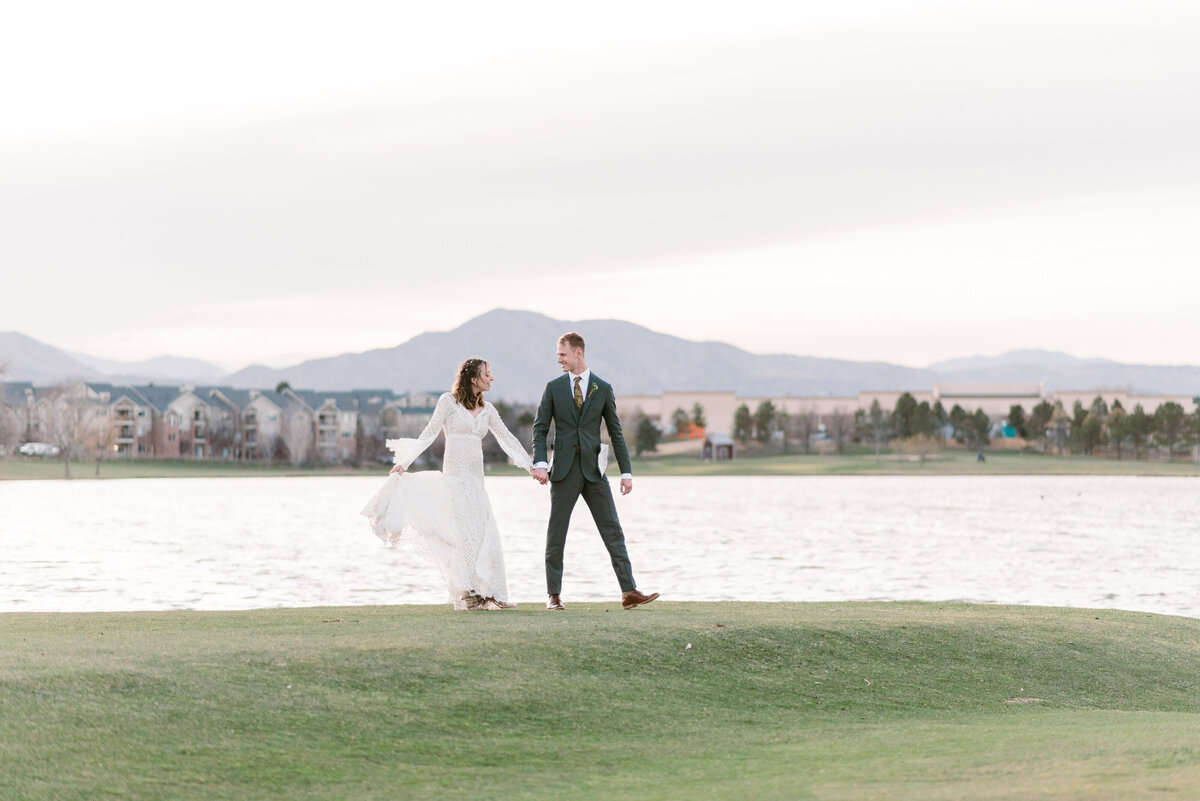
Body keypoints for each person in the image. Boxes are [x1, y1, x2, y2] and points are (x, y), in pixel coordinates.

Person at [362, 358, 538, 610]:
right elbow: (430, 432)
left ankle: (487, 591)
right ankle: (466, 590)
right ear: (473, 378)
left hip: (477, 480)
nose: (492, 378)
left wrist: (528, 464)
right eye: (487, 374)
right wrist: (405, 462)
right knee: (462, 534)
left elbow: (506, 437)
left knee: (482, 531)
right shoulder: (448, 402)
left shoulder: (488, 410)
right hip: (454, 478)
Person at [531, 332, 659, 611]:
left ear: (578, 353)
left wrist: (626, 472)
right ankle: (553, 596)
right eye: (557, 354)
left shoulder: (602, 388)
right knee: (557, 533)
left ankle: (629, 591)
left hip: (594, 471)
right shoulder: (553, 388)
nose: (558, 359)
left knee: (613, 529)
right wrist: (540, 463)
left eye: (562, 354)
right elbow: (540, 429)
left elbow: (616, 432)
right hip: (563, 471)